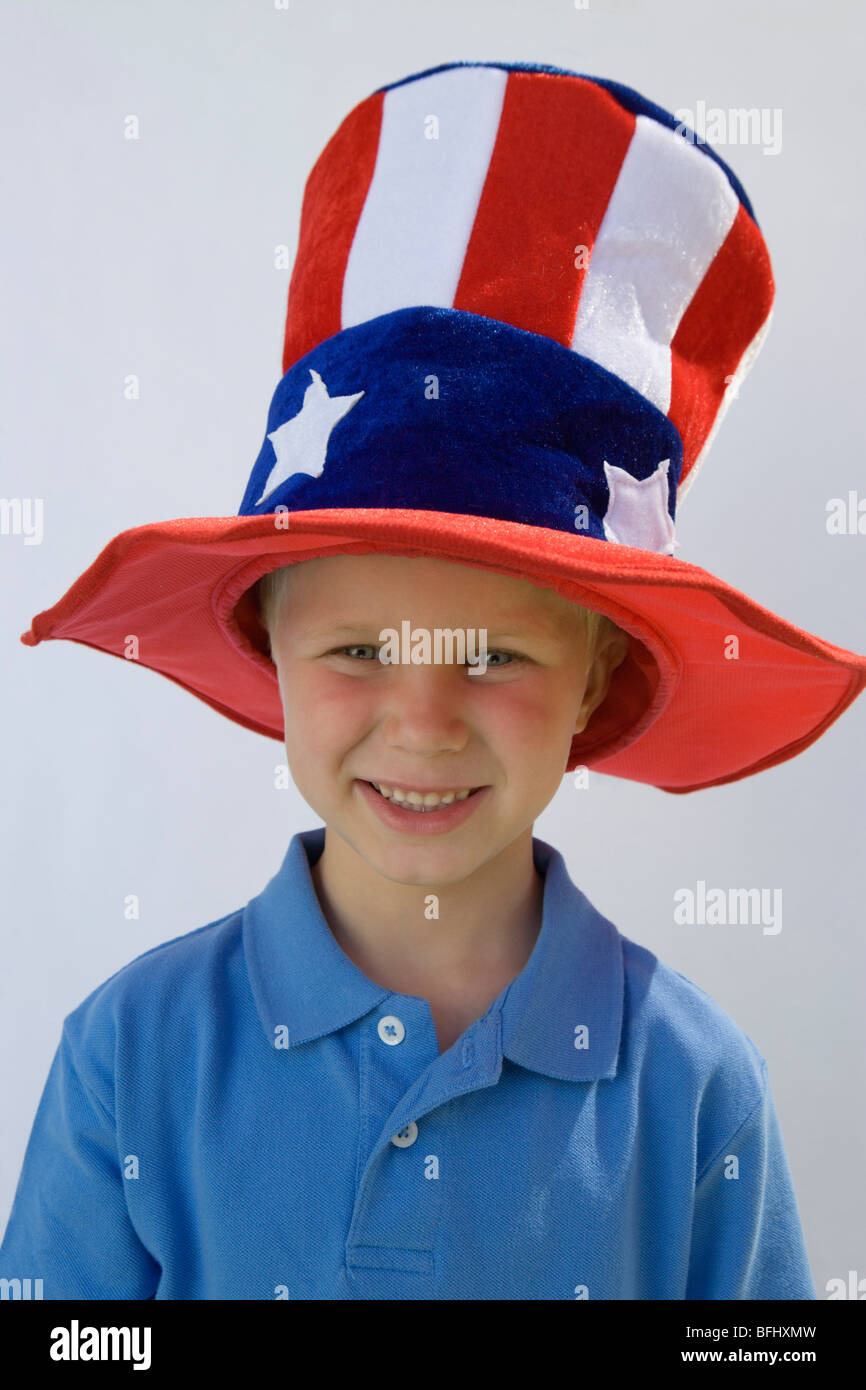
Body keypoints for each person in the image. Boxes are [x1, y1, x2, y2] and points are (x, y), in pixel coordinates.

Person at [3, 60, 865, 1300]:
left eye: (494, 656)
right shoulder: (130, 1057)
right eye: (358, 649)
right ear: (265, 642)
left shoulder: (692, 1089)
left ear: (592, 681)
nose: (420, 721)